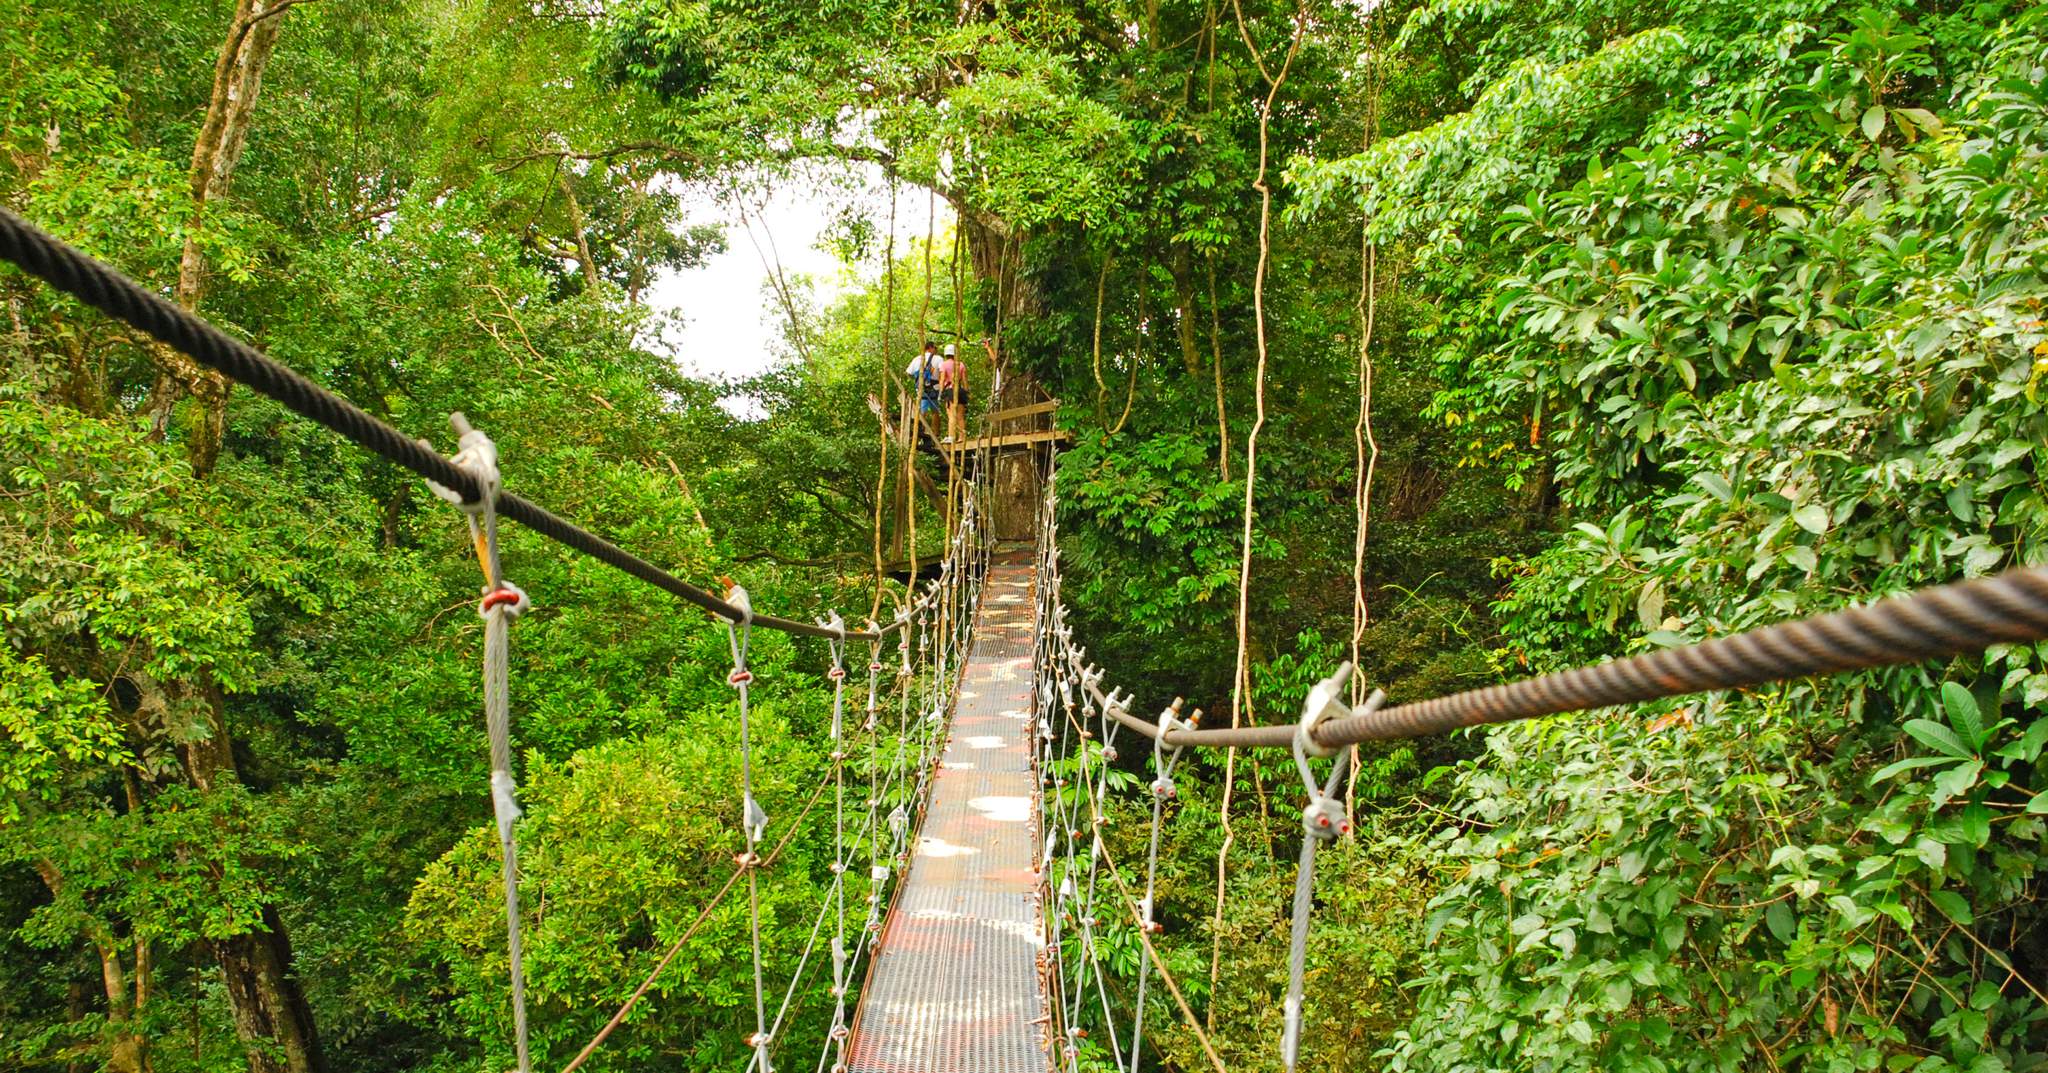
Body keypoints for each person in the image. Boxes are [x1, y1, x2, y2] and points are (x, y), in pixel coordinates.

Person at [905, 341, 941, 432]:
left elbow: (908, 373)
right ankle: (935, 432)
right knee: (935, 411)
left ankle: (920, 431)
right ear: (930, 348)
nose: (936, 350)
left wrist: (917, 378)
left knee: (922, 410)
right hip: (935, 387)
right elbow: (942, 372)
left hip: (921, 388)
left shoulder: (917, 359)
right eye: (935, 348)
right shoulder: (938, 358)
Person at [938, 343, 969, 443]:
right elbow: (964, 381)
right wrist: (966, 392)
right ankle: (962, 437)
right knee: (960, 415)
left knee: (951, 415)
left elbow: (942, 379)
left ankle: (951, 436)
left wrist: (941, 392)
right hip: (960, 390)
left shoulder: (944, 364)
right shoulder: (961, 364)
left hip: (950, 390)